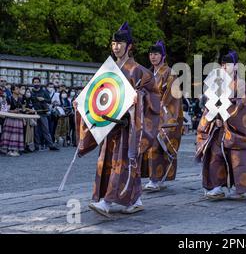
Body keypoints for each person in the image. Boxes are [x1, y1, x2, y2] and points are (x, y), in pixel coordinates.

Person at [75, 22, 160, 217]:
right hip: (109, 125)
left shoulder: (140, 72)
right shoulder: (108, 70)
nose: (116, 47)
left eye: (120, 43)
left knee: (122, 162)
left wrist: (139, 97)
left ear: (129, 46)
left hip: (128, 126)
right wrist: (82, 103)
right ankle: (135, 199)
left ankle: (107, 201)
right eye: (113, 43)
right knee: (110, 162)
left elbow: (153, 97)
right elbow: (97, 94)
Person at [196, 50, 246, 200]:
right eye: (223, 64)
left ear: (236, 66)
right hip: (217, 127)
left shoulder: (242, 85)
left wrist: (224, 118)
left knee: (238, 157)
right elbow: (209, 104)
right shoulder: (216, 83)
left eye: (229, 64)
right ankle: (217, 186)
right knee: (215, 155)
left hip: (236, 128)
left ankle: (239, 188)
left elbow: (242, 107)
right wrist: (213, 117)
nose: (225, 67)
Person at [141, 40, 184, 193]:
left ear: (163, 56)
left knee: (157, 146)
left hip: (163, 113)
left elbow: (172, 96)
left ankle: (156, 179)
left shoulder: (170, 73)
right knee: (149, 146)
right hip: (147, 114)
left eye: (156, 54)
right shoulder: (146, 73)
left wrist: (160, 108)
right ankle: (156, 177)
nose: (153, 57)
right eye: (151, 54)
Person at [30, 77, 59, 151]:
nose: (36, 83)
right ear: (33, 83)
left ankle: (50, 145)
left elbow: (49, 101)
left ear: (40, 83)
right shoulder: (31, 92)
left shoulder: (44, 91)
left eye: (37, 82)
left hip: (43, 113)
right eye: (35, 82)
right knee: (36, 131)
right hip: (34, 113)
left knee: (46, 130)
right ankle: (36, 146)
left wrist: (43, 99)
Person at [0, 85, 25, 156]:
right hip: (10, 118)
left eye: (18, 89)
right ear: (13, 90)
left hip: (18, 118)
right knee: (9, 134)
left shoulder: (21, 99)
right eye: (17, 89)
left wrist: (22, 111)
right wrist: (13, 111)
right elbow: (5, 110)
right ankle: (8, 149)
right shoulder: (9, 98)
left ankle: (15, 149)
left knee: (17, 135)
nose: (18, 90)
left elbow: (23, 108)